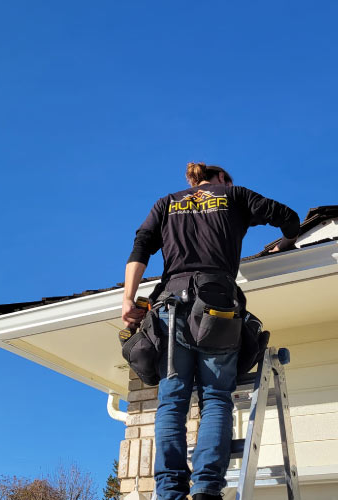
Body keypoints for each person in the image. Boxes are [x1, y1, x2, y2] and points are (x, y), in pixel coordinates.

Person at [122, 163, 300, 500]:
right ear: (220, 179)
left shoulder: (166, 203)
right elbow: (288, 217)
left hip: (170, 307)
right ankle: (206, 488)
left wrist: (128, 298)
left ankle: (170, 491)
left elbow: (141, 245)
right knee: (216, 399)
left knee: (172, 403)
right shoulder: (234, 196)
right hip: (216, 303)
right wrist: (286, 241)